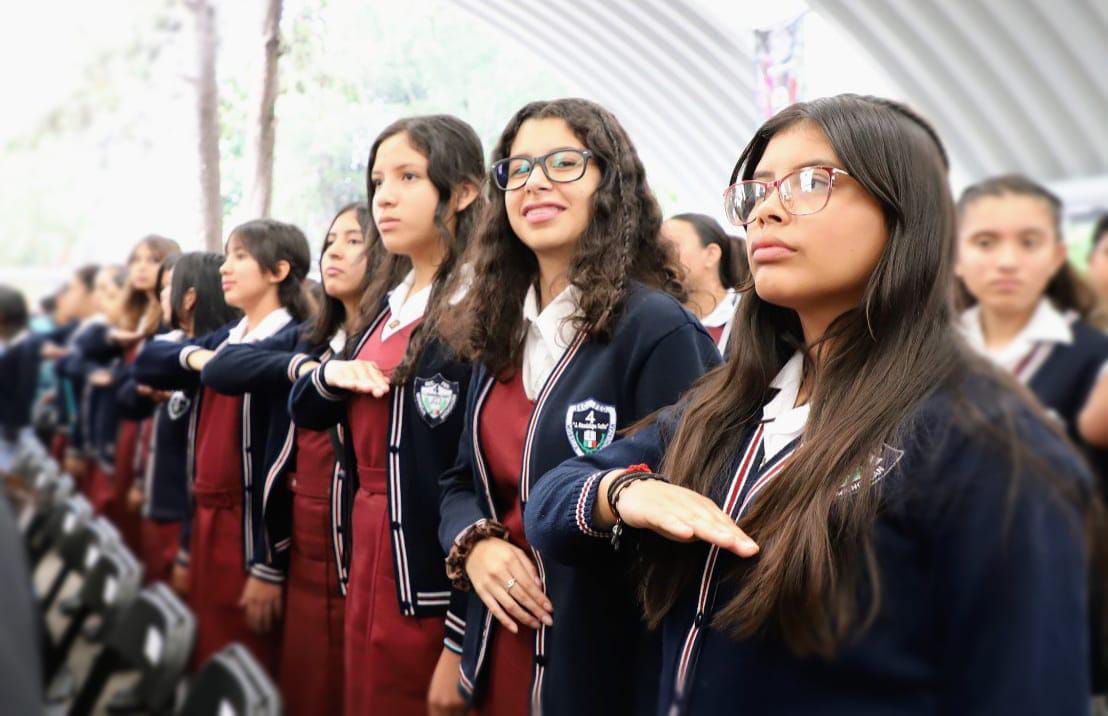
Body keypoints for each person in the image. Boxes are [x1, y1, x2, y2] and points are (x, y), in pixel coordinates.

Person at [526, 94, 1100, 715]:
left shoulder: (982, 443)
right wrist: (622, 491)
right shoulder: (732, 404)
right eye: (758, 191)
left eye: (809, 183)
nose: (766, 211)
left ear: (903, 211)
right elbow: (552, 499)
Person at [437, 98, 719, 714]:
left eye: (563, 162)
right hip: (499, 650)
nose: (534, 181)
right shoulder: (498, 328)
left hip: (599, 667)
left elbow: (687, 512)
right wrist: (475, 544)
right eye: (517, 168)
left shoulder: (656, 330)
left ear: (608, 183)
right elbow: (460, 481)